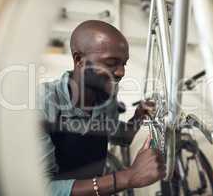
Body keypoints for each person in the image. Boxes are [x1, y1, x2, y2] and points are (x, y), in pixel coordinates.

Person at [38, 20, 166, 196]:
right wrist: (127, 177)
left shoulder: (105, 95)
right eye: (111, 62)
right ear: (79, 60)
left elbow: (119, 136)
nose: (121, 72)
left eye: (124, 63)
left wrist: (138, 117)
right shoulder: (43, 103)